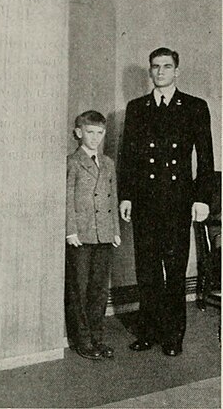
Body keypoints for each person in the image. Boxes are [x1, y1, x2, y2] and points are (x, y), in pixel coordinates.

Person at [119, 47, 214, 356]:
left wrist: (203, 199)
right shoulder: (137, 107)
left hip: (177, 201)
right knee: (146, 269)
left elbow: (206, 158)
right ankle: (147, 332)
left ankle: (173, 336)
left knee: (173, 270)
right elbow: (128, 157)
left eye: (166, 66)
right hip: (145, 201)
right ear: (150, 71)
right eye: (155, 67)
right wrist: (127, 195)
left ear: (177, 71)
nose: (160, 71)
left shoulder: (194, 107)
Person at [65, 111, 121, 360]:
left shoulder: (108, 163)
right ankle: (82, 340)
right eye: (90, 132)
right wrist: (70, 230)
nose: (95, 138)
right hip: (82, 235)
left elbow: (114, 197)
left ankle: (97, 337)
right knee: (79, 288)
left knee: (99, 289)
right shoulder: (72, 162)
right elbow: (67, 200)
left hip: (104, 234)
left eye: (100, 133)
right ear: (78, 133)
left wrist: (115, 231)